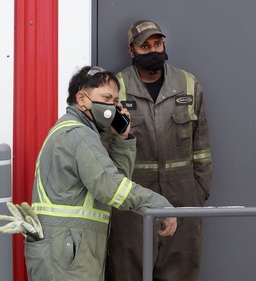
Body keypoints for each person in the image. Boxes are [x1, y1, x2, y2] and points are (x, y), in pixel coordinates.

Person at [24, 66, 177, 281]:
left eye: (116, 101)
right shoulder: (79, 135)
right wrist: (159, 205)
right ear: (82, 99)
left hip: (69, 248)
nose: (113, 106)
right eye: (106, 98)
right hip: (68, 251)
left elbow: (114, 182)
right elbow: (111, 187)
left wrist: (121, 140)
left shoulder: (76, 130)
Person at [108, 20, 212, 281]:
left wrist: (199, 191)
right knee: (129, 269)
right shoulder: (115, 89)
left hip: (183, 194)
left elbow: (201, 146)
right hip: (133, 197)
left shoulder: (188, 84)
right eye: (145, 46)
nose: (153, 50)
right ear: (131, 51)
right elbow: (105, 147)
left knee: (181, 269)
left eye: (158, 43)